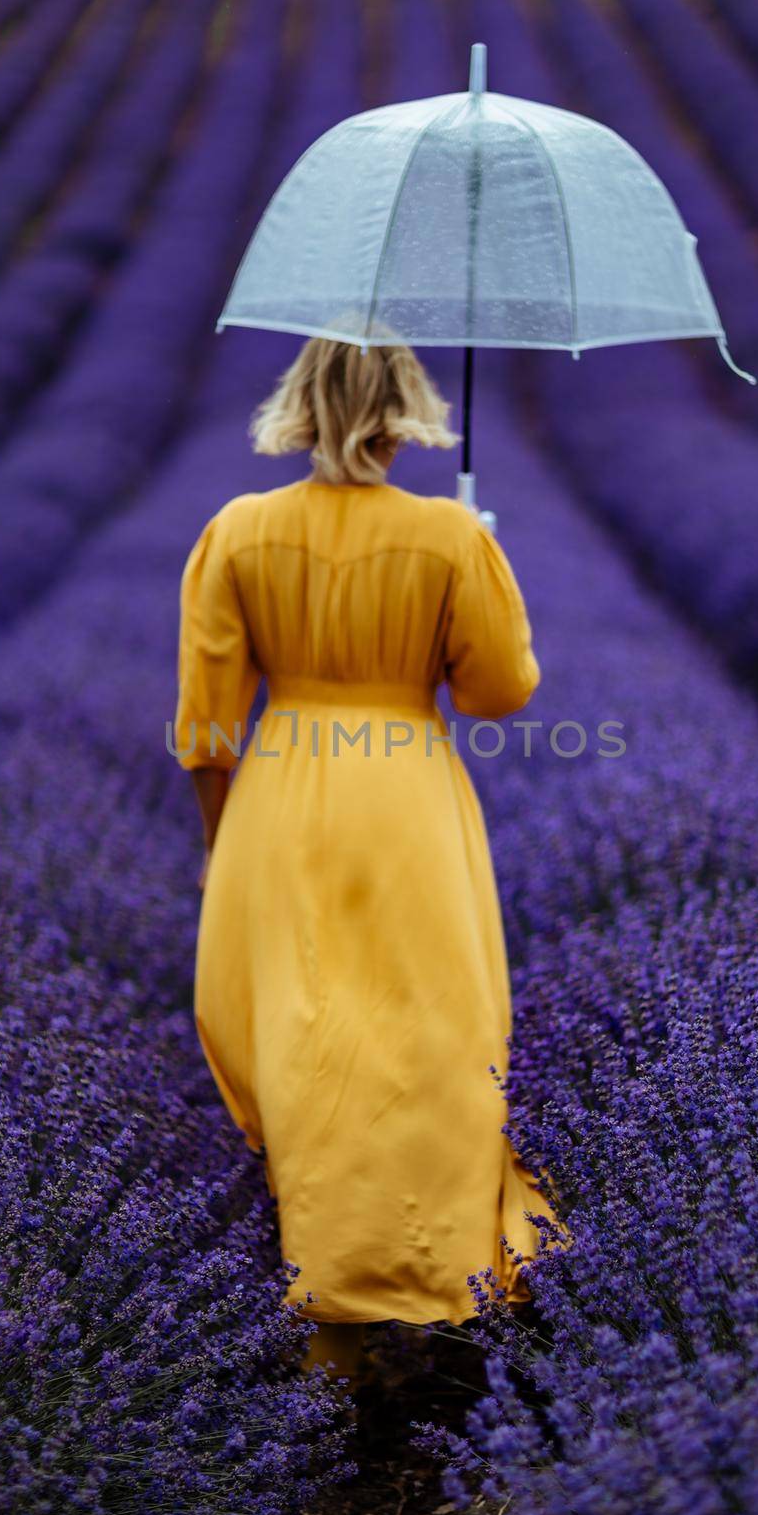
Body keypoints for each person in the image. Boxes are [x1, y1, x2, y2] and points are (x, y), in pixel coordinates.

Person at [173, 336, 547, 1391]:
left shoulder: (236, 532)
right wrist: (479, 556)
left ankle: (330, 1329)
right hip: (406, 799)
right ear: (403, 412)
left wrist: (220, 848)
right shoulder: (441, 538)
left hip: (280, 801)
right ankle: (433, 1293)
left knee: (302, 1040)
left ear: (296, 407)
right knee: (431, 1035)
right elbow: (496, 692)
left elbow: (204, 728)